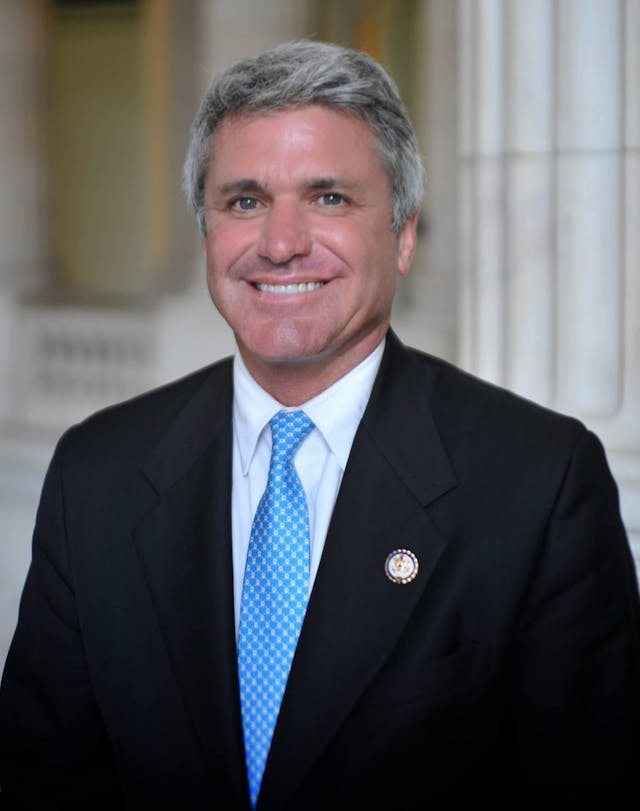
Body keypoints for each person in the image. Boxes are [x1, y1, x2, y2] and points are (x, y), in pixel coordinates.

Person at [1, 40, 639, 811]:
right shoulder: (95, 474)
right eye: (245, 201)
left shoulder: (540, 486)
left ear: (403, 235)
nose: (281, 243)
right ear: (207, 235)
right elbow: (41, 774)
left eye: (328, 197)